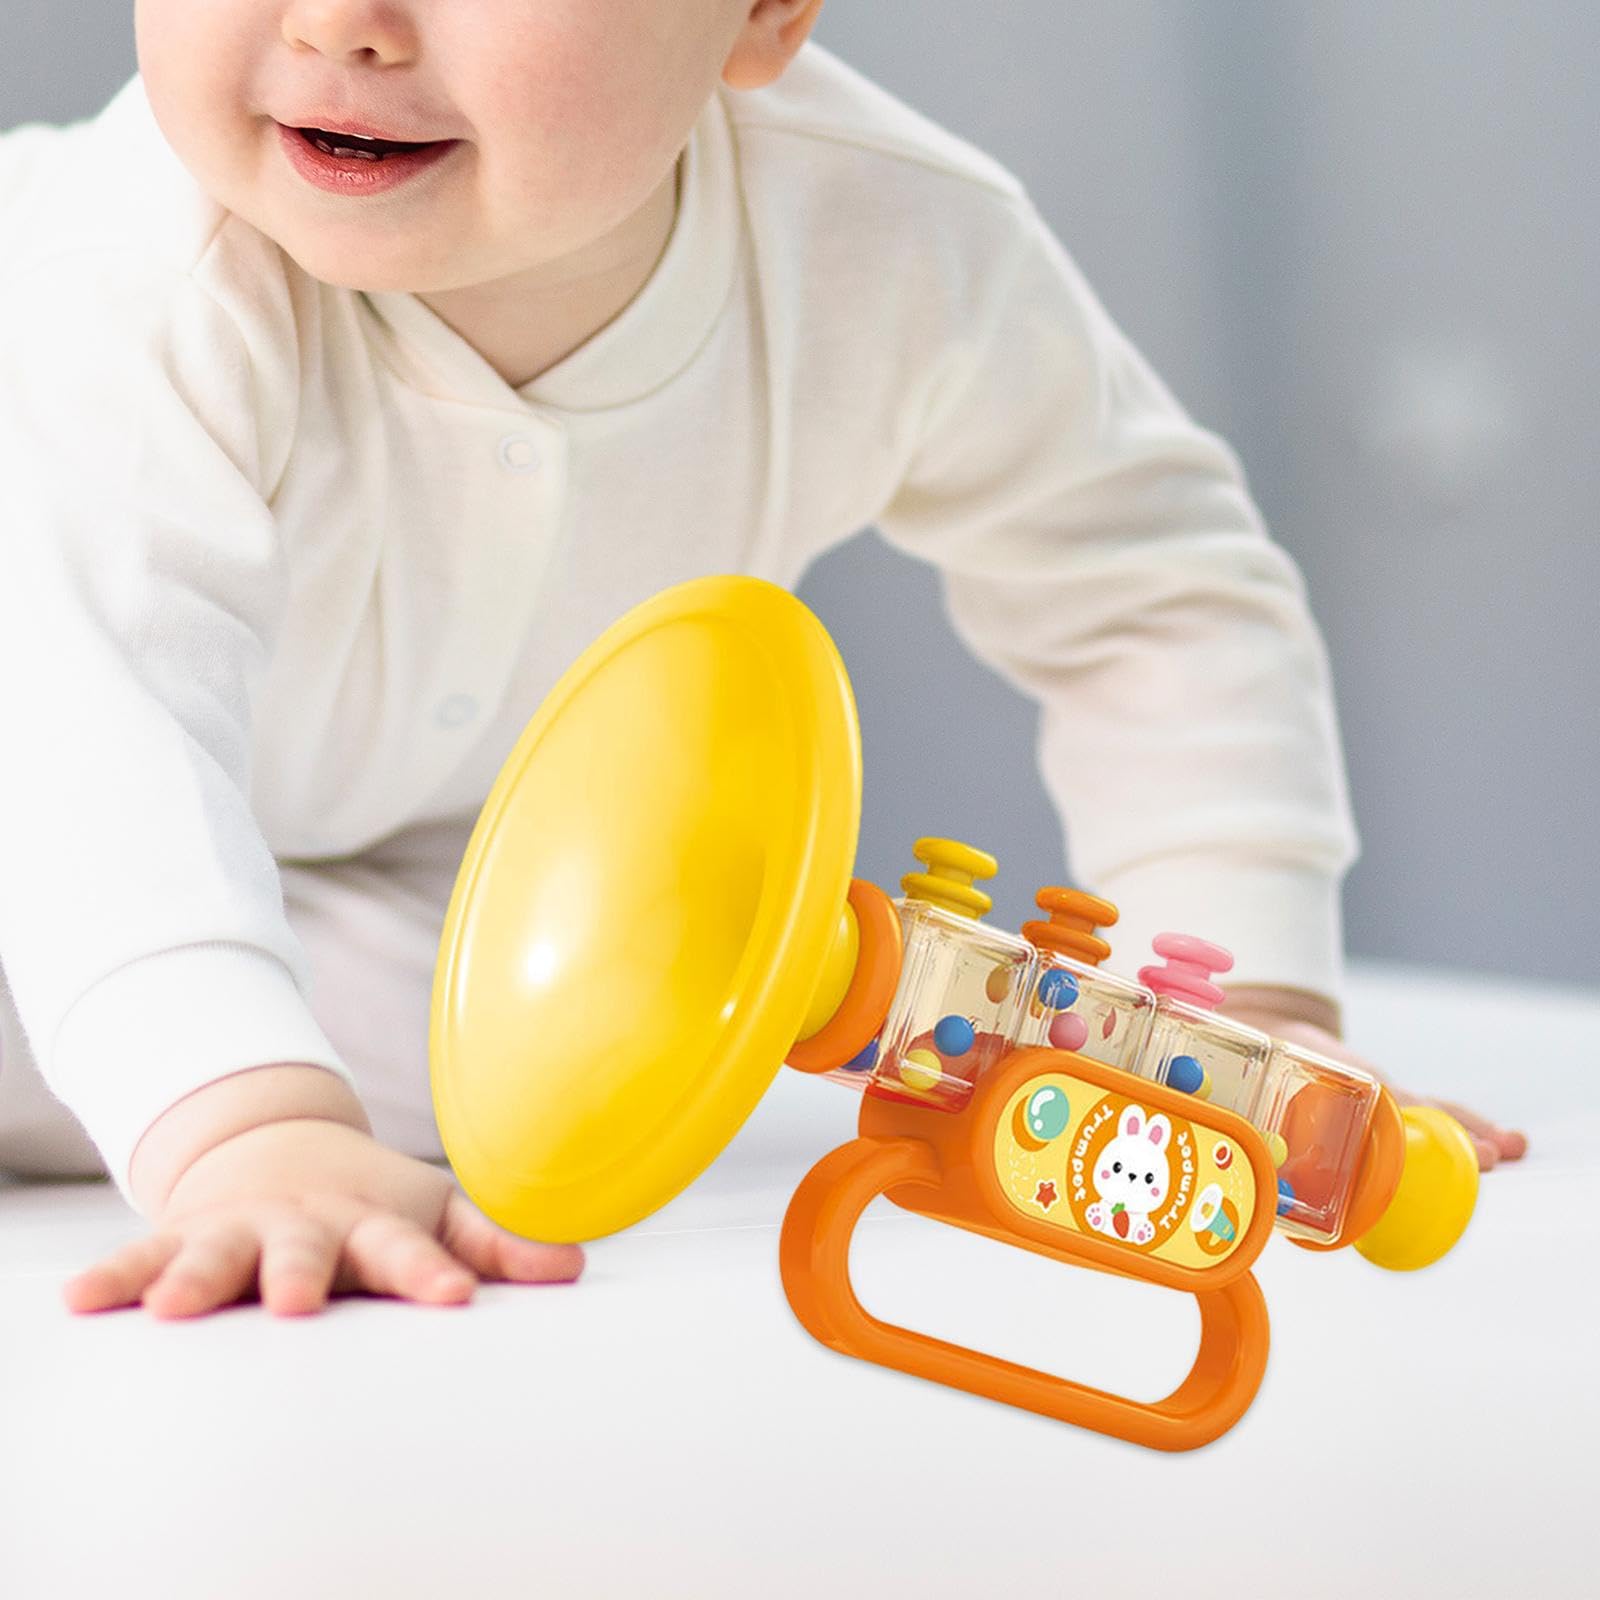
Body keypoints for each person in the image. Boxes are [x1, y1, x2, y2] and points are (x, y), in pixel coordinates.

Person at [0, 0, 1525, 1321]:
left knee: (556, 1050)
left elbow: (1154, 589)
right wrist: (249, 1133)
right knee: (187, 1010)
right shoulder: (134, 283)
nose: (341, 21)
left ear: (764, 15)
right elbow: (86, 730)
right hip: (51, 779)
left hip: (366, 852)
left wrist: (1246, 1015)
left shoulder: (892, 246)